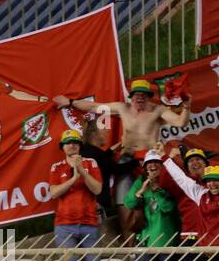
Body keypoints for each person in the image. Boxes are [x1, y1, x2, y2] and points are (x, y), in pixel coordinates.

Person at [56, 79, 190, 238]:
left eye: (143, 95)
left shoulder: (157, 110)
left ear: (148, 97)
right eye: (136, 94)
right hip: (127, 159)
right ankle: (131, 248)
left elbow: (181, 122)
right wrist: (70, 102)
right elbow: (94, 107)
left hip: (150, 159)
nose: (139, 98)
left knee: (159, 199)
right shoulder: (123, 108)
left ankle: (164, 239)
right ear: (131, 97)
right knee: (124, 201)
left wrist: (187, 106)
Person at [48, 128, 104, 261]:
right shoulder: (56, 167)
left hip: (89, 223)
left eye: (74, 142)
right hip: (65, 225)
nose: (71, 145)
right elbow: (54, 192)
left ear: (79, 145)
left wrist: (82, 172)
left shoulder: (90, 163)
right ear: (62, 147)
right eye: (67, 143)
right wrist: (73, 179)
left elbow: (97, 189)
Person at [125, 150, 180, 261]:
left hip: (167, 240)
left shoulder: (171, 182)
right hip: (145, 239)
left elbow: (168, 208)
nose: (153, 165)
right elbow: (129, 203)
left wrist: (157, 191)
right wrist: (140, 192)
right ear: (145, 167)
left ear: (163, 166)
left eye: (156, 162)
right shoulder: (140, 181)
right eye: (149, 163)